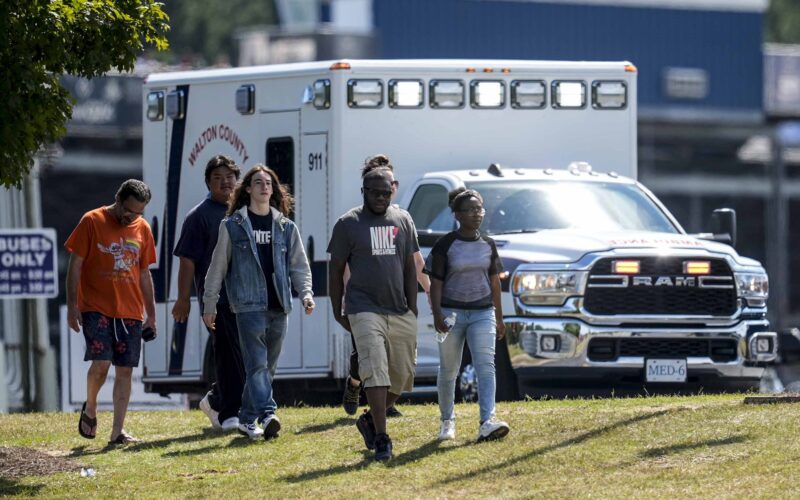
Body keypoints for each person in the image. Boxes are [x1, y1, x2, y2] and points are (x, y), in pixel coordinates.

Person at [203, 165, 314, 441]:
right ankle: (267, 413)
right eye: (258, 182)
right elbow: (217, 268)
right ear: (248, 189)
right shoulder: (232, 226)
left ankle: (246, 419)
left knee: (269, 366)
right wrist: (210, 304)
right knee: (256, 365)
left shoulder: (286, 227)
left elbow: (299, 265)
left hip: (279, 305)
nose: (265, 187)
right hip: (248, 305)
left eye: (269, 183)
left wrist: (306, 293)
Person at [328, 165, 420, 461]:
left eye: (387, 192)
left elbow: (409, 265)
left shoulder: (403, 219)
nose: (382, 198)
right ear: (364, 192)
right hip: (363, 307)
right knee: (375, 369)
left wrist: (413, 306)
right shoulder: (348, 223)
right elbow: (335, 270)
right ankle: (382, 437)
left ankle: (368, 419)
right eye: (375, 193)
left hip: (399, 308)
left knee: (403, 376)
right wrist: (337, 308)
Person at [66, 179, 157, 445]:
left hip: (130, 310)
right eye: (128, 211)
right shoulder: (91, 221)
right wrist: (73, 306)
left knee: (125, 370)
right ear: (118, 199)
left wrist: (151, 315)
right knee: (102, 363)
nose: (131, 217)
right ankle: (91, 407)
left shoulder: (143, 228)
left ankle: (117, 431)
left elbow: (143, 274)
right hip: (96, 306)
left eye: (138, 213)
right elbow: (75, 266)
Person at [341, 155, 431, 417]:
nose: (386, 189)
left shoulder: (402, 218)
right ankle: (354, 384)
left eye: (390, 183)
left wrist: (432, 291)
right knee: (366, 357)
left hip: (396, 302)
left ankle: (381, 408)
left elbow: (416, 261)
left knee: (395, 357)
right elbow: (346, 264)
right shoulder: (355, 221)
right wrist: (348, 296)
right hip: (364, 302)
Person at [425, 187, 510, 442]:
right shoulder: (445, 245)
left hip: (482, 312)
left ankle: (487, 421)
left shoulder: (488, 244)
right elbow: (436, 283)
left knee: (486, 367)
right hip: (452, 314)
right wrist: (438, 314)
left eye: (479, 209)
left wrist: (499, 316)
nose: (477, 214)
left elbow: (495, 282)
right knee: (449, 370)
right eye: (470, 210)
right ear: (457, 215)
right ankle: (447, 421)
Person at [172, 155, 243, 432]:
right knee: (229, 355)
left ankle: (215, 399)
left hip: (246, 298)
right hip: (216, 299)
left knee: (246, 356)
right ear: (208, 183)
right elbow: (187, 260)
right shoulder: (199, 216)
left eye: (229, 177)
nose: (225, 182)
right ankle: (227, 411)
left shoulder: (245, 211)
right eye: (217, 178)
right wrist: (183, 299)